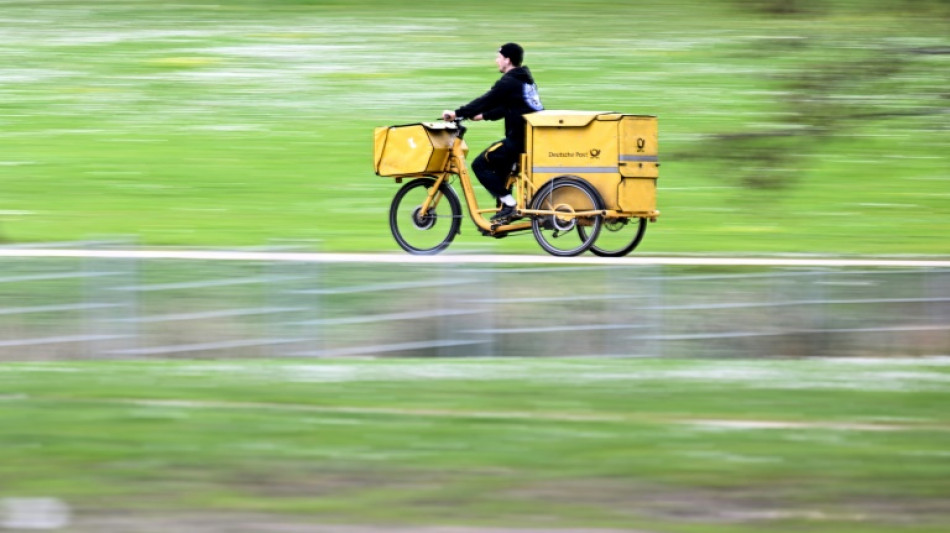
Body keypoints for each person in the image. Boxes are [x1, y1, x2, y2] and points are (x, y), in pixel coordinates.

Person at [442, 42, 543, 224]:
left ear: (508, 59)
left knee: (480, 164)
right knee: (501, 167)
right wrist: (484, 116)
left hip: (519, 139)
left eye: (499, 57)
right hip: (532, 137)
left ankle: (510, 204)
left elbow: (487, 99)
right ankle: (505, 212)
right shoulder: (524, 80)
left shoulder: (509, 81)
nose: (496, 61)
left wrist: (457, 113)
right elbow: (510, 107)